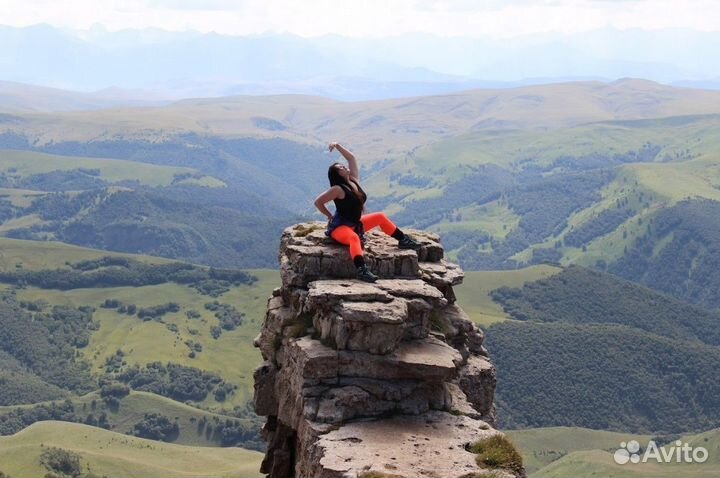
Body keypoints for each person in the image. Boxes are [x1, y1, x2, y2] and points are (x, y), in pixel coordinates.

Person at [314, 142, 421, 282]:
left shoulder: (353, 180)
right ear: (336, 174)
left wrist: (337, 146)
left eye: (342, 165)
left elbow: (351, 158)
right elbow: (318, 202)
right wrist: (329, 215)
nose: (343, 166)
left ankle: (403, 240)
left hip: (355, 223)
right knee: (354, 238)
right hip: (340, 227)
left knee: (380, 217)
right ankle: (362, 270)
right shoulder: (337, 189)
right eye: (339, 167)